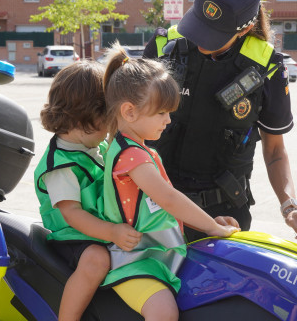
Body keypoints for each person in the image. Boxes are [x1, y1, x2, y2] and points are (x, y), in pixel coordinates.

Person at [143, 0, 297, 242]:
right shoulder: (164, 46)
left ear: (245, 28)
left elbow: (275, 150)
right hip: (152, 204)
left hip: (224, 217)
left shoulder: (266, 68)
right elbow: (124, 127)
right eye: (199, 25)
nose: (200, 40)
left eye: (213, 35)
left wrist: (289, 205)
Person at [101, 44, 240, 321]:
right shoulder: (131, 156)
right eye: (161, 112)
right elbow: (168, 198)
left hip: (158, 258)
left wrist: (211, 224)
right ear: (129, 112)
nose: (168, 120)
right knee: (164, 313)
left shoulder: (140, 150)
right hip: (137, 263)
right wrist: (212, 226)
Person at [34, 61, 142, 321]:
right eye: (107, 120)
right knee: (97, 259)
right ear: (87, 117)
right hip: (73, 237)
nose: (109, 129)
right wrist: (112, 232)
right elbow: (72, 214)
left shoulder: (94, 148)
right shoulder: (61, 165)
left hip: (100, 230)